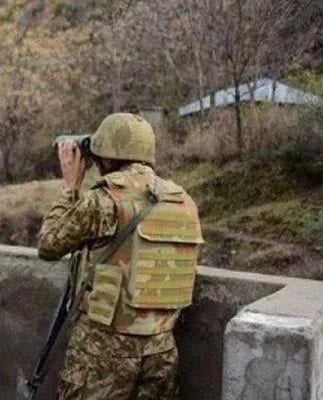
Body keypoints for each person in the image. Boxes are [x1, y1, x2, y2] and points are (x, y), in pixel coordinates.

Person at [38, 113, 203, 399]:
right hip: (161, 350)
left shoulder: (105, 200)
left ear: (105, 153)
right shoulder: (182, 201)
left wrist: (70, 187)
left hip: (102, 351)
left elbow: (49, 245)